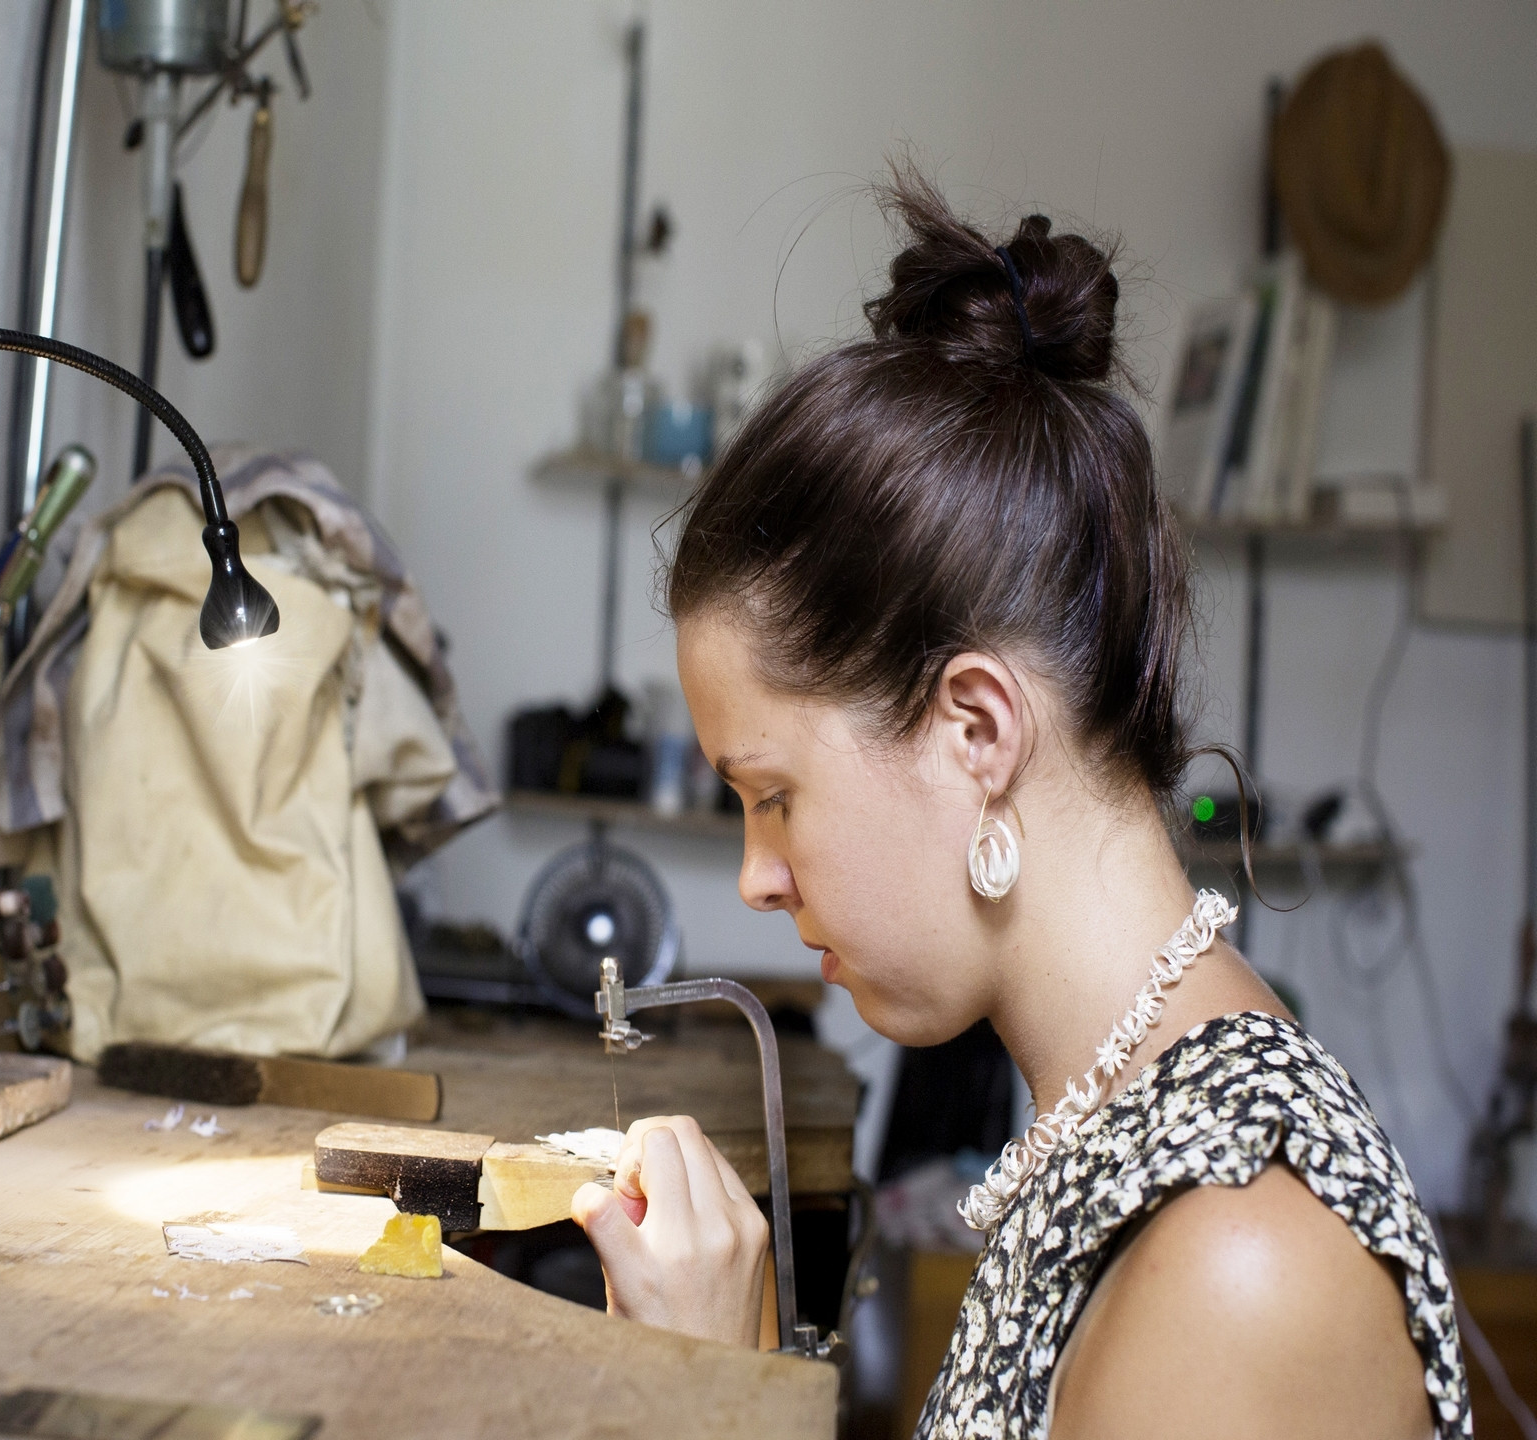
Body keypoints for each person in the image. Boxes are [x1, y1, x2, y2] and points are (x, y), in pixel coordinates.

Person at [570, 170, 1470, 1440]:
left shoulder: (1237, 1262)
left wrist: (711, 1410)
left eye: (773, 796)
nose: (755, 878)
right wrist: (741, 1364)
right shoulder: (1106, 1123)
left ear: (977, 730)